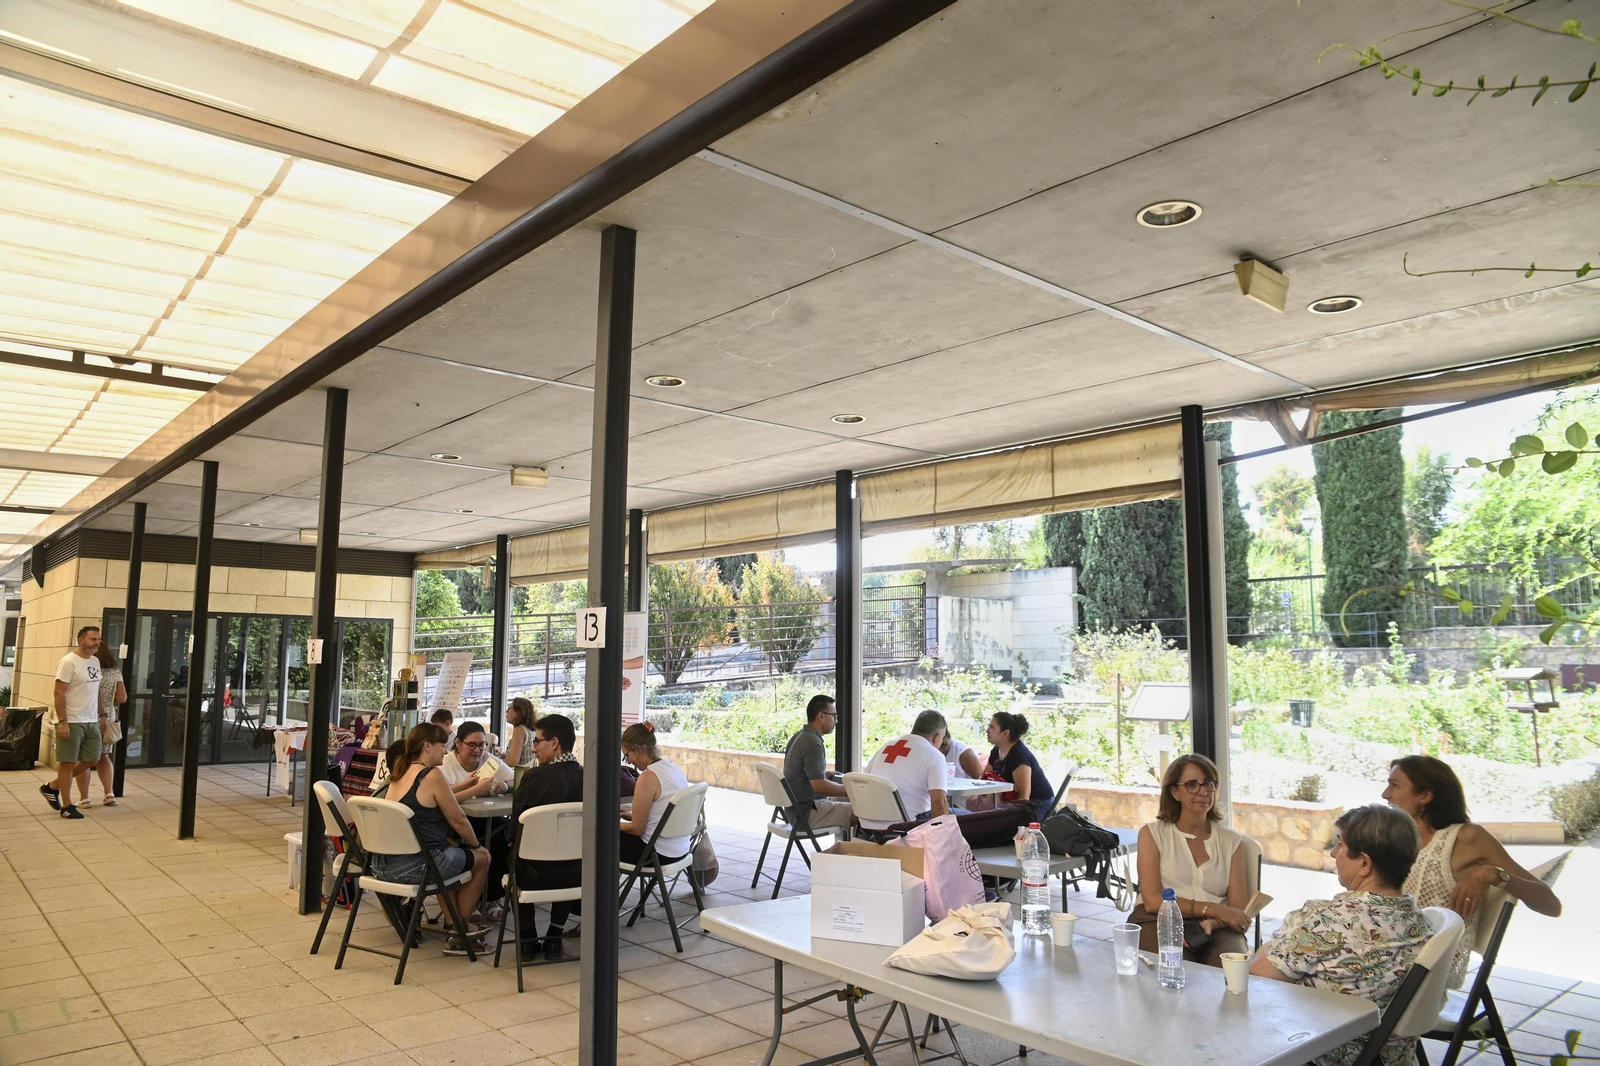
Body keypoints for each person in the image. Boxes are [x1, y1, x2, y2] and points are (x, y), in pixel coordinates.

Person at [1251, 804, 1432, 1066]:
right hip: (1390, 1057)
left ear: (1364, 863)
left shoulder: (1329, 920)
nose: (1334, 853)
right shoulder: (1419, 921)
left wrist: (1287, 931)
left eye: (1341, 845)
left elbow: (1259, 974)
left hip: (1319, 1053)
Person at [1383, 755, 1562, 986]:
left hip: (1423, 979)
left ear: (1425, 796)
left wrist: (1494, 875)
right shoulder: (1394, 839)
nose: (1385, 794)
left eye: (1394, 785)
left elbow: (1551, 905)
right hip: (1386, 961)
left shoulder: (1465, 838)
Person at [377, 723, 492, 955]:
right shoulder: (431, 774)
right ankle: (459, 930)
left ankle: (455, 926)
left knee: (444, 859)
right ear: (427, 746)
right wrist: (477, 846)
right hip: (417, 866)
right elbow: (458, 819)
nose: (445, 752)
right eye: (442, 746)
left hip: (384, 865)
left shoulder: (400, 771)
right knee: (480, 859)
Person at [1131, 753, 1249, 966]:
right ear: (1175, 792)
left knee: (1229, 970)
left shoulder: (1233, 842)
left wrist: (1213, 921)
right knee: (1172, 965)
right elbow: (1152, 901)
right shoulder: (1152, 834)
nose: (1203, 791)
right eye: (1192, 784)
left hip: (1218, 925)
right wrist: (1213, 908)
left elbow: (1238, 911)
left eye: (1209, 784)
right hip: (1158, 919)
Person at [511, 713, 582, 960]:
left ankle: (527, 940)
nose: (533, 747)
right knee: (567, 852)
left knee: (514, 853)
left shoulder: (533, 778)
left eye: (537, 741)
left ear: (554, 743)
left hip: (533, 876)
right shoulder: (590, 779)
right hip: (577, 875)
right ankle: (554, 936)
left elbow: (514, 832)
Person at [41, 626, 104, 819]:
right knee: (67, 763)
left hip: (92, 719)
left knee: (93, 759)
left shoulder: (95, 661)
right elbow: (59, 693)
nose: (97, 643)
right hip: (72, 720)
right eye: (93, 639)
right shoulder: (68, 662)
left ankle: (52, 787)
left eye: (99, 639)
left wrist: (103, 715)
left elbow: (97, 690)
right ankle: (67, 805)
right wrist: (62, 721)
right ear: (81, 640)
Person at [860, 710, 950, 832]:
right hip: (907, 825)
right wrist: (942, 839)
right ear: (936, 737)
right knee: (965, 816)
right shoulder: (934, 755)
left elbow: (864, 782)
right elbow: (940, 803)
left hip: (868, 824)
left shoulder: (887, 746)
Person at [620, 721, 692, 865]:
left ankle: (594, 887)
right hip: (680, 849)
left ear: (638, 749)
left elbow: (636, 829)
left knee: (596, 837)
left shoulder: (648, 777)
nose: (628, 761)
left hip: (655, 853)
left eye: (627, 755)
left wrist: (605, 824)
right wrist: (631, 816)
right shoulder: (672, 767)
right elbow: (661, 812)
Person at [781, 694, 852, 831]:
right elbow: (819, 787)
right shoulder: (813, 743)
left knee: (854, 805)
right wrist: (851, 790)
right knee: (862, 813)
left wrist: (824, 774)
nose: (836, 721)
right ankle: (859, 851)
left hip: (795, 810)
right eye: (834, 716)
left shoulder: (800, 736)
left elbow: (800, 774)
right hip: (806, 813)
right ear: (821, 716)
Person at [75, 643, 126, 808]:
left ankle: (84, 798)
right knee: (104, 756)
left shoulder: (87, 671)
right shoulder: (115, 673)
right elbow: (122, 698)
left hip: (88, 716)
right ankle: (109, 793)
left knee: (84, 759)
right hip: (107, 718)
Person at [984, 711, 1054, 822]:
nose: (987, 730)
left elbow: (1024, 794)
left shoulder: (1019, 755)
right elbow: (983, 778)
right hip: (1010, 802)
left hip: (1037, 804)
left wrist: (1014, 820)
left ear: (1005, 733)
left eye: (992, 727)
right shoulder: (996, 750)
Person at [440, 721, 513, 798]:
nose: (477, 750)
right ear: (458, 743)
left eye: (481, 745)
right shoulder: (444, 764)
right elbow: (440, 793)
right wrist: (475, 789)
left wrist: (506, 785)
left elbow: (515, 780)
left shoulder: (488, 759)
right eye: (472, 745)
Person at [503, 697, 536, 767]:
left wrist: (495, 761)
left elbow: (513, 762)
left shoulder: (519, 730)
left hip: (520, 776)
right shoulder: (530, 730)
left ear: (517, 713)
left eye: (509, 708)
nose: (506, 711)